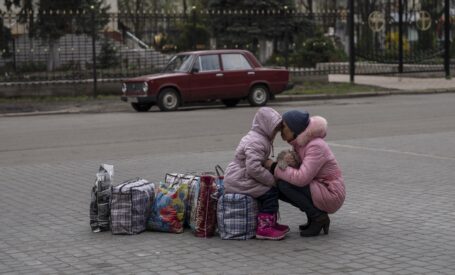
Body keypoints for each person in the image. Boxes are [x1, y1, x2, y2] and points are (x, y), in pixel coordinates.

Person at [266, 110, 345, 237]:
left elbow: (302, 178)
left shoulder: (315, 146)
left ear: (294, 129)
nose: (281, 130)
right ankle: (313, 215)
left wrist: (274, 166)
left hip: (331, 192)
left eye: (284, 126)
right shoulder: (300, 144)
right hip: (320, 186)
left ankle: (318, 217)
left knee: (284, 185)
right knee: (279, 186)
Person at [224, 107, 289, 240]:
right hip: (240, 179)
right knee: (270, 193)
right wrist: (272, 180)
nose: (276, 132)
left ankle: (271, 223)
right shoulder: (257, 141)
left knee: (268, 191)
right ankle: (265, 228)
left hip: (240, 176)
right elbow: (253, 168)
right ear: (266, 126)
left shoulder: (258, 137)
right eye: (275, 129)